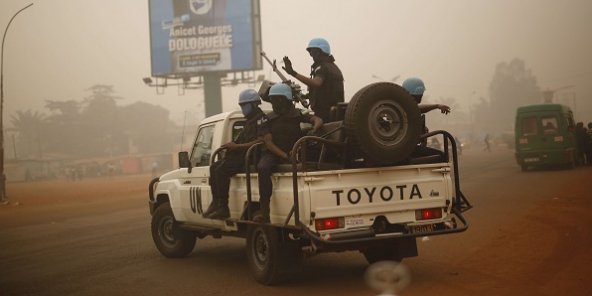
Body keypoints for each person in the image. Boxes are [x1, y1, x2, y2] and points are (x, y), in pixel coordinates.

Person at [254, 83, 323, 223]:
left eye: (278, 99)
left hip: (295, 151)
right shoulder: (265, 118)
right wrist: (285, 156)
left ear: (286, 99)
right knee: (263, 167)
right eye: (273, 99)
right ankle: (264, 210)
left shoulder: (298, 113)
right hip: (273, 154)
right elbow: (268, 142)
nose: (275, 102)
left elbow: (317, 119)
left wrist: (315, 127)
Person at [203, 89, 266, 220]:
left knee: (221, 171)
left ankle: (223, 208)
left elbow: (261, 141)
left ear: (253, 105)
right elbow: (241, 139)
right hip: (242, 154)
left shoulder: (261, 120)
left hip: (251, 156)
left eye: (244, 106)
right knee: (214, 167)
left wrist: (237, 146)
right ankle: (216, 203)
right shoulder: (250, 120)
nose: (242, 109)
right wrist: (232, 144)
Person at [282, 37, 344, 123]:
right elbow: (327, 90)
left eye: (314, 52)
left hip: (325, 114)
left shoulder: (322, 67)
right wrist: (306, 96)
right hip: (334, 113)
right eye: (310, 53)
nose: (312, 55)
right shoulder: (333, 67)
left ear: (322, 51)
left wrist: (293, 73)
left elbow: (316, 83)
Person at [402, 77, 451, 159]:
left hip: (406, 148)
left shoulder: (400, 105)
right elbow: (417, 108)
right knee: (442, 156)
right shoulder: (405, 106)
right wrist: (437, 106)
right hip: (407, 149)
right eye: (421, 93)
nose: (422, 95)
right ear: (418, 92)